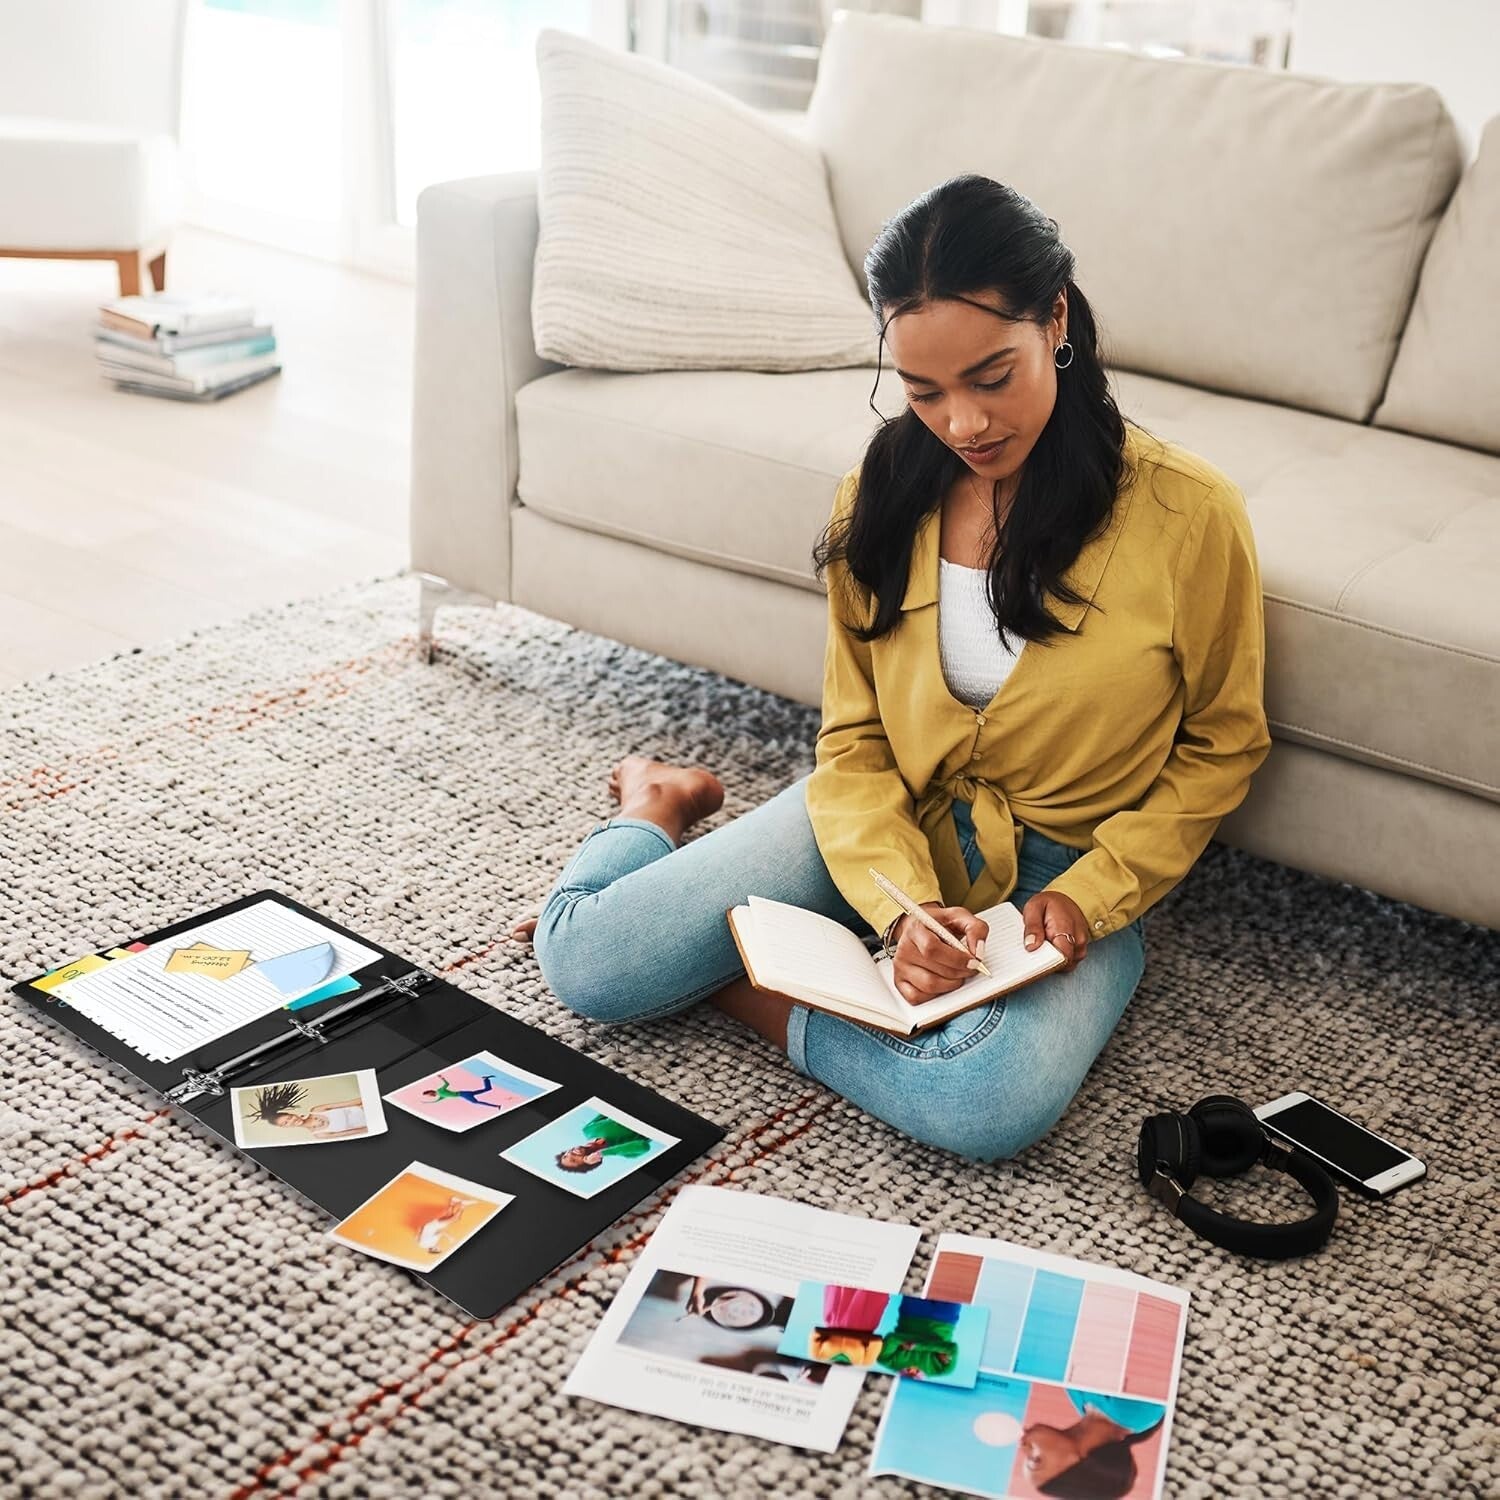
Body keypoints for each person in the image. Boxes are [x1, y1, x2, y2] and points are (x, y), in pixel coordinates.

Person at [514, 173, 1271, 1162]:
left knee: (984, 1100)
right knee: (588, 963)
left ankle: (755, 986)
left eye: (991, 377)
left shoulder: (1188, 516)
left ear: (1054, 320)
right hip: (880, 816)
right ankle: (652, 804)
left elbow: (1224, 740)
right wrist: (900, 908)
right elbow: (857, 739)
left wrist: (1095, 895)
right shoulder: (876, 497)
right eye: (924, 392)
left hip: (1068, 874)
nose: (962, 424)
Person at [1019, 1390, 1166, 1498]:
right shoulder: (1139, 1411)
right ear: (1080, 1463)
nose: (1023, 1446)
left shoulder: (1079, 1400)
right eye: (1035, 1460)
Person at [247, 1081, 369, 1138]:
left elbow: (351, 1103)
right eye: (286, 1123)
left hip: (369, 1106)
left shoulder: (317, 1110)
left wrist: (372, 1099)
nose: (292, 1121)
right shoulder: (319, 1134)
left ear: (293, 1114)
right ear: (285, 1127)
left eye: (289, 1117)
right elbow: (353, 1133)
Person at [555, 1111, 653, 1172]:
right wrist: (601, 1153)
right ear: (589, 1161)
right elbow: (644, 1146)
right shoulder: (627, 1153)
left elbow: (608, 1108)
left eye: (565, 1155)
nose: (571, 1154)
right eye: (573, 1160)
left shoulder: (587, 1130)